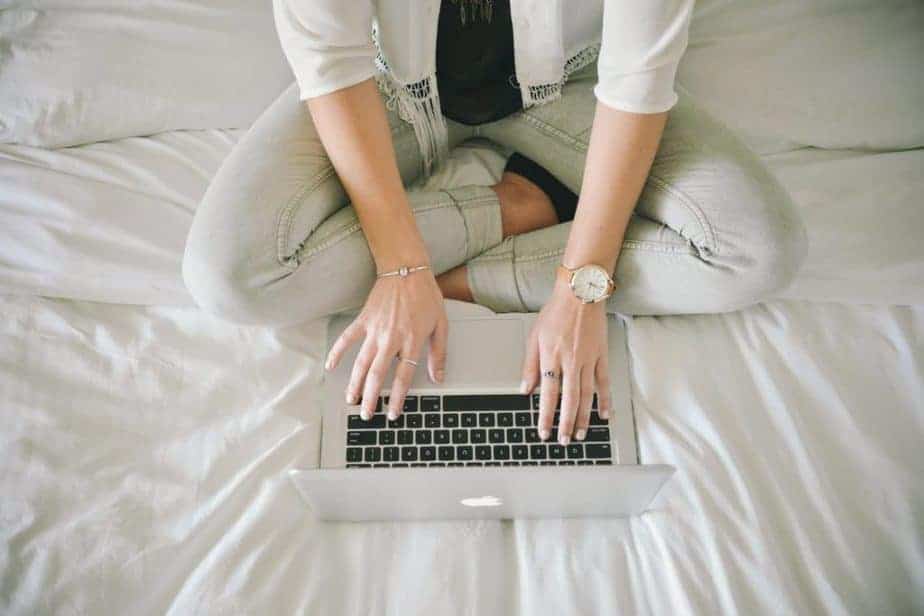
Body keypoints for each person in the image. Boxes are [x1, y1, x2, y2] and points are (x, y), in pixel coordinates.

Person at [182, 0, 807, 448]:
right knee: (231, 278)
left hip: (576, 85)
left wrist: (580, 285)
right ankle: (520, 208)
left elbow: (637, 79)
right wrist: (400, 267)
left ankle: (453, 271)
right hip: (387, 91)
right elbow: (330, 58)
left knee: (757, 251)